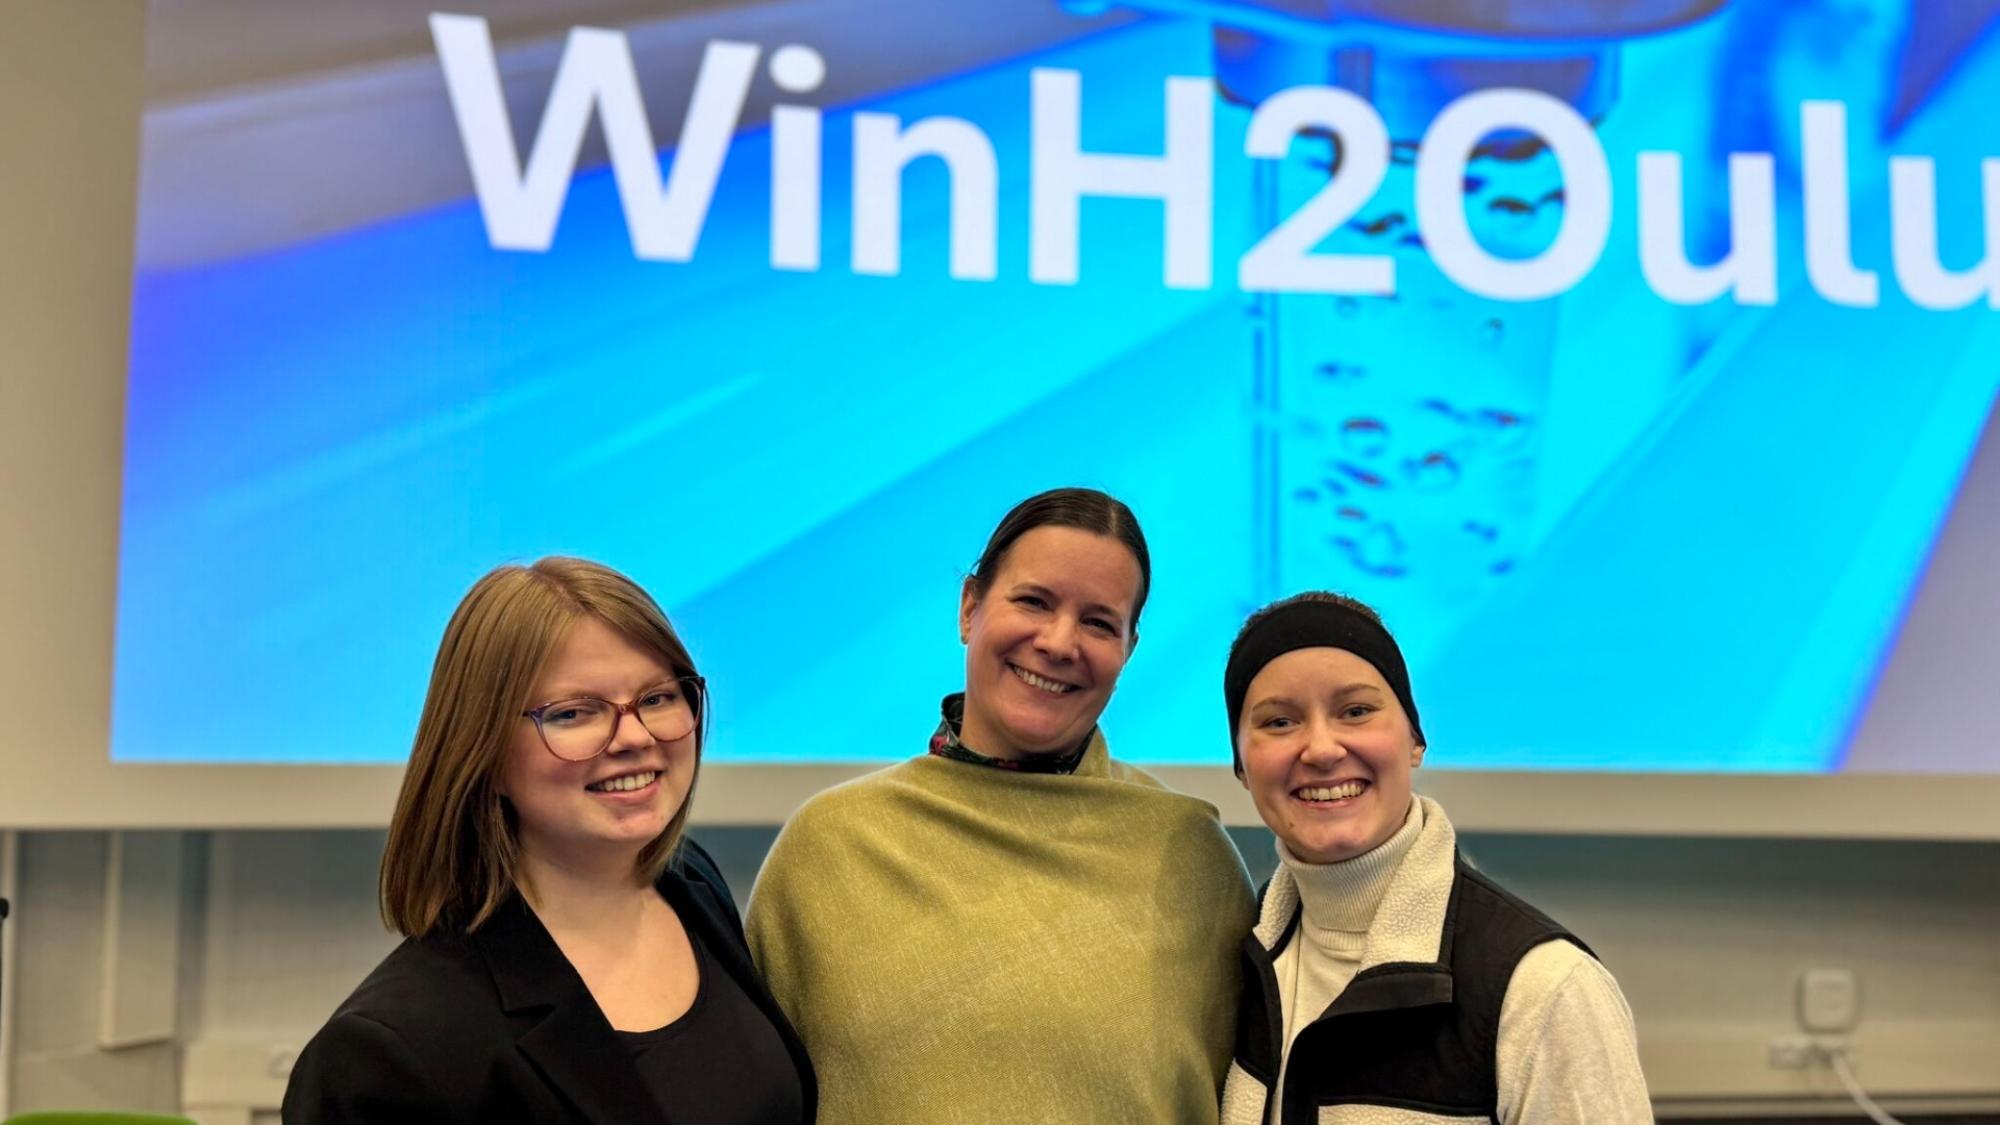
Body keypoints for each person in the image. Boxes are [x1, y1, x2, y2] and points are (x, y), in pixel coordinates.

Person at [746, 487, 1256, 1124]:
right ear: (969, 607)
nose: (1059, 642)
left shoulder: (1192, 860)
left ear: (1127, 650)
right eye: (1034, 601)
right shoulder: (830, 849)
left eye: (1099, 623)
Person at [283, 558, 815, 1125]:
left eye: (658, 698)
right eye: (573, 713)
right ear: (480, 749)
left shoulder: (692, 886)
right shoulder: (385, 1055)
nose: (634, 737)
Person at [1218, 592, 1651, 1125]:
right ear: (1241, 765)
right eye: (1280, 723)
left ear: (1416, 741)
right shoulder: (1233, 965)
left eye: (1356, 711)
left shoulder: (1544, 987)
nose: (1322, 749)